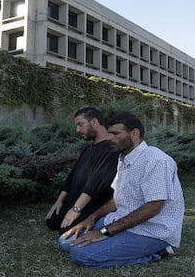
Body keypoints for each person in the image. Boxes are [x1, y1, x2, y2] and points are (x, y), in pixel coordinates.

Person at [58, 112, 185, 268]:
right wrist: (92, 217)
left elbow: (153, 208)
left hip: (151, 231)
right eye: (109, 133)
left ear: (135, 133)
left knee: (82, 255)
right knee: (65, 242)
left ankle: (160, 252)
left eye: (116, 134)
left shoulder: (156, 160)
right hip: (122, 219)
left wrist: (105, 232)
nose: (110, 138)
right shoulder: (123, 157)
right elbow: (118, 199)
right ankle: (113, 239)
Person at [45, 107, 118, 235]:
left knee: (66, 231)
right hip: (75, 199)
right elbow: (72, 176)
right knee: (52, 221)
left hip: (93, 202)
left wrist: (76, 209)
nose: (77, 130)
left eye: (80, 124)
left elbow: (96, 183)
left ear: (94, 122)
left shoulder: (110, 149)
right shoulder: (87, 150)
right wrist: (59, 201)